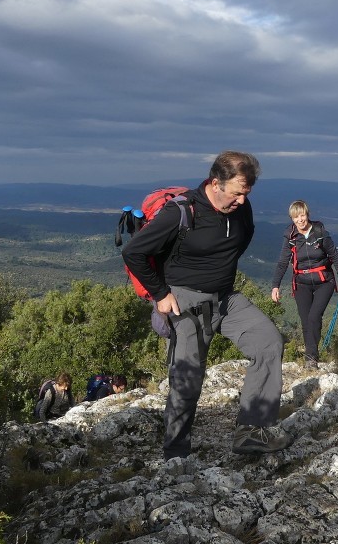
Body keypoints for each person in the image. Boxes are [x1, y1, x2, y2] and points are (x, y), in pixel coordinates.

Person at [121, 151, 290, 459]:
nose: (241, 201)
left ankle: (254, 432)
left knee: (268, 341)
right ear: (216, 183)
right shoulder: (182, 212)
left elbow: (242, 239)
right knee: (188, 376)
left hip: (226, 298)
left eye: (246, 194)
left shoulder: (242, 210)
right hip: (184, 300)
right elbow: (133, 252)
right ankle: (176, 452)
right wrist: (160, 294)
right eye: (237, 193)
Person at [270, 200, 338, 370]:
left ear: (308, 215)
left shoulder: (320, 232)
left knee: (314, 317)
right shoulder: (290, 237)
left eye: (302, 215)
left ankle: (312, 357)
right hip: (301, 283)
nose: (300, 220)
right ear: (292, 218)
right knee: (306, 321)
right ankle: (310, 358)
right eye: (296, 217)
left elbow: (334, 256)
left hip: (324, 281)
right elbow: (283, 262)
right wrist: (275, 286)